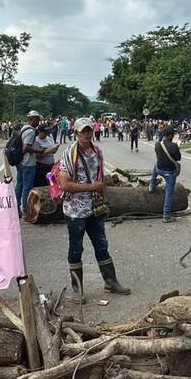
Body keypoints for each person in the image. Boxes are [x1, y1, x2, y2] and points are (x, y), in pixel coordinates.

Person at [59, 118, 129, 300]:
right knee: (76, 248)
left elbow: (101, 179)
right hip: (75, 210)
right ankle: (78, 290)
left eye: (89, 130)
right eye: (83, 131)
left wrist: (105, 201)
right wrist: (91, 188)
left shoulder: (97, 152)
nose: (86, 134)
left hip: (94, 208)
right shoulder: (69, 154)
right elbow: (65, 184)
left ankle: (110, 281)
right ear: (76, 133)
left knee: (101, 244)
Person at [152, 127, 182, 222]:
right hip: (169, 172)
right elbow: (178, 158)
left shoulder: (157, 144)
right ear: (169, 136)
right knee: (169, 194)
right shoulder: (174, 146)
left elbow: (158, 156)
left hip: (159, 169)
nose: (173, 137)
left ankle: (152, 184)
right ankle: (166, 216)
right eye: (173, 135)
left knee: (155, 165)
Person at [16, 112, 42, 210]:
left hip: (21, 161)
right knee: (27, 187)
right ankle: (26, 210)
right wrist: (38, 151)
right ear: (33, 119)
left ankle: (17, 206)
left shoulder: (24, 128)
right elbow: (25, 147)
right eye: (37, 119)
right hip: (28, 163)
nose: (38, 122)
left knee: (19, 185)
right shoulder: (31, 131)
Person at [32, 123, 59, 188]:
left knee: (51, 185)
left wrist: (55, 148)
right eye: (44, 132)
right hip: (41, 168)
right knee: (41, 186)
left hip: (50, 167)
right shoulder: (36, 141)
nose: (46, 134)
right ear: (39, 132)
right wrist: (50, 149)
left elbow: (53, 152)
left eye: (47, 132)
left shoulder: (49, 139)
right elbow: (38, 156)